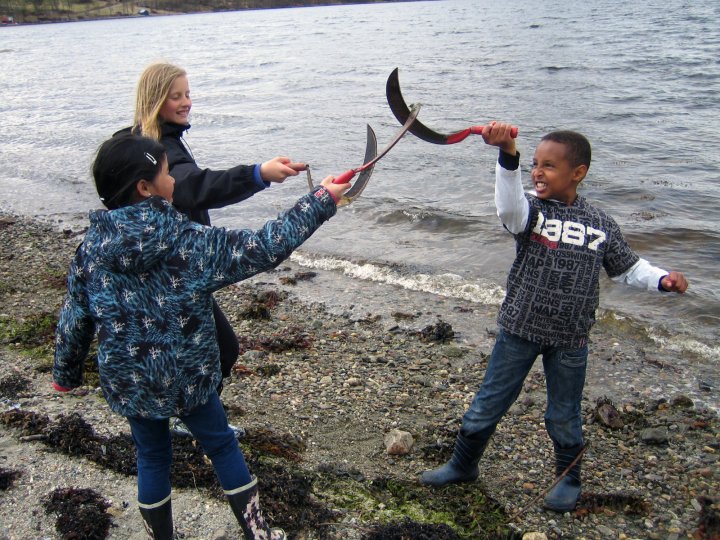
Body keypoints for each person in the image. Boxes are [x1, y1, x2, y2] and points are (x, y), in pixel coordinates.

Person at [52, 133, 350, 539]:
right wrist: (321, 201)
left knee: (152, 457)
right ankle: (258, 533)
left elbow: (74, 317)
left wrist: (65, 374)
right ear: (144, 188)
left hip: (131, 380)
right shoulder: (184, 241)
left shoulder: (91, 248)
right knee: (222, 446)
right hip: (187, 377)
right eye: (165, 173)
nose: (174, 180)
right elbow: (262, 247)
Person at [420, 122, 688, 513]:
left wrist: (663, 279)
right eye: (533, 164)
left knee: (564, 415)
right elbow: (508, 208)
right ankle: (462, 465)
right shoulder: (530, 211)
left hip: (571, 337)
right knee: (487, 405)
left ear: (577, 173)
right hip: (519, 329)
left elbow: (627, 268)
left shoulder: (600, 223)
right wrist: (508, 155)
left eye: (549, 166)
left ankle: (569, 478)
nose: (538, 172)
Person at [126, 62, 307, 436]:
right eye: (176, 96)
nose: (186, 102)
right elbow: (193, 187)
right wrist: (258, 174)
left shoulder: (146, 141)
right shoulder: (156, 148)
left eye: (188, 93)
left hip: (164, 271)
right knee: (222, 349)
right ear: (155, 99)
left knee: (194, 350)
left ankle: (175, 418)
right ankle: (195, 424)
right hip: (174, 273)